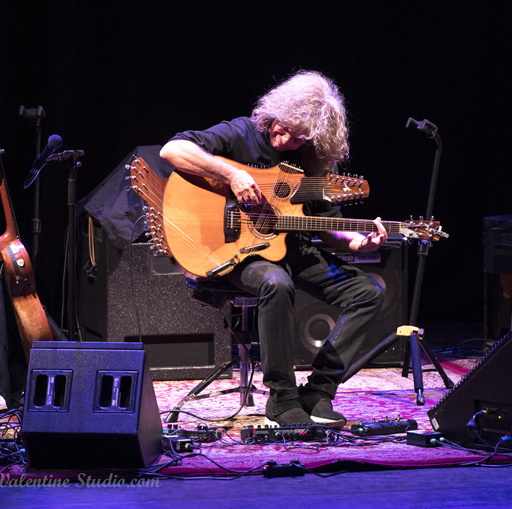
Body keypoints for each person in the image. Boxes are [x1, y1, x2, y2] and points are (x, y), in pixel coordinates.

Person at [160, 70, 387, 428]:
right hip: (234, 252)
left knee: (368, 291)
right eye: (283, 128)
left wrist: (360, 241)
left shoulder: (312, 162)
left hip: (291, 249)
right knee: (276, 282)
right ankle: (282, 400)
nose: (285, 139)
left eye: (298, 139)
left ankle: (319, 391)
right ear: (275, 112)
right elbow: (172, 150)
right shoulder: (242, 133)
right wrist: (231, 175)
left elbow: (329, 229)